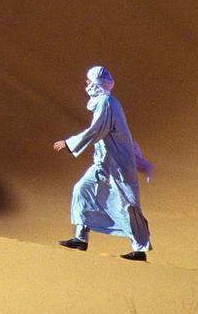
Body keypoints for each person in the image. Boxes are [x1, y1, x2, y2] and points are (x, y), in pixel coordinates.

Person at [52, 66, 154, 261]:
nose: (86, 84)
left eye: (88, 81)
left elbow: (97, 130)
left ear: (96, 83)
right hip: (103, 163)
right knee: (82, 189)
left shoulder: (107, 102)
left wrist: (69, 143)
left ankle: (139, 249)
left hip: (118, 165)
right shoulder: (104, 102)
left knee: (127, 205)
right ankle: (80, 238)